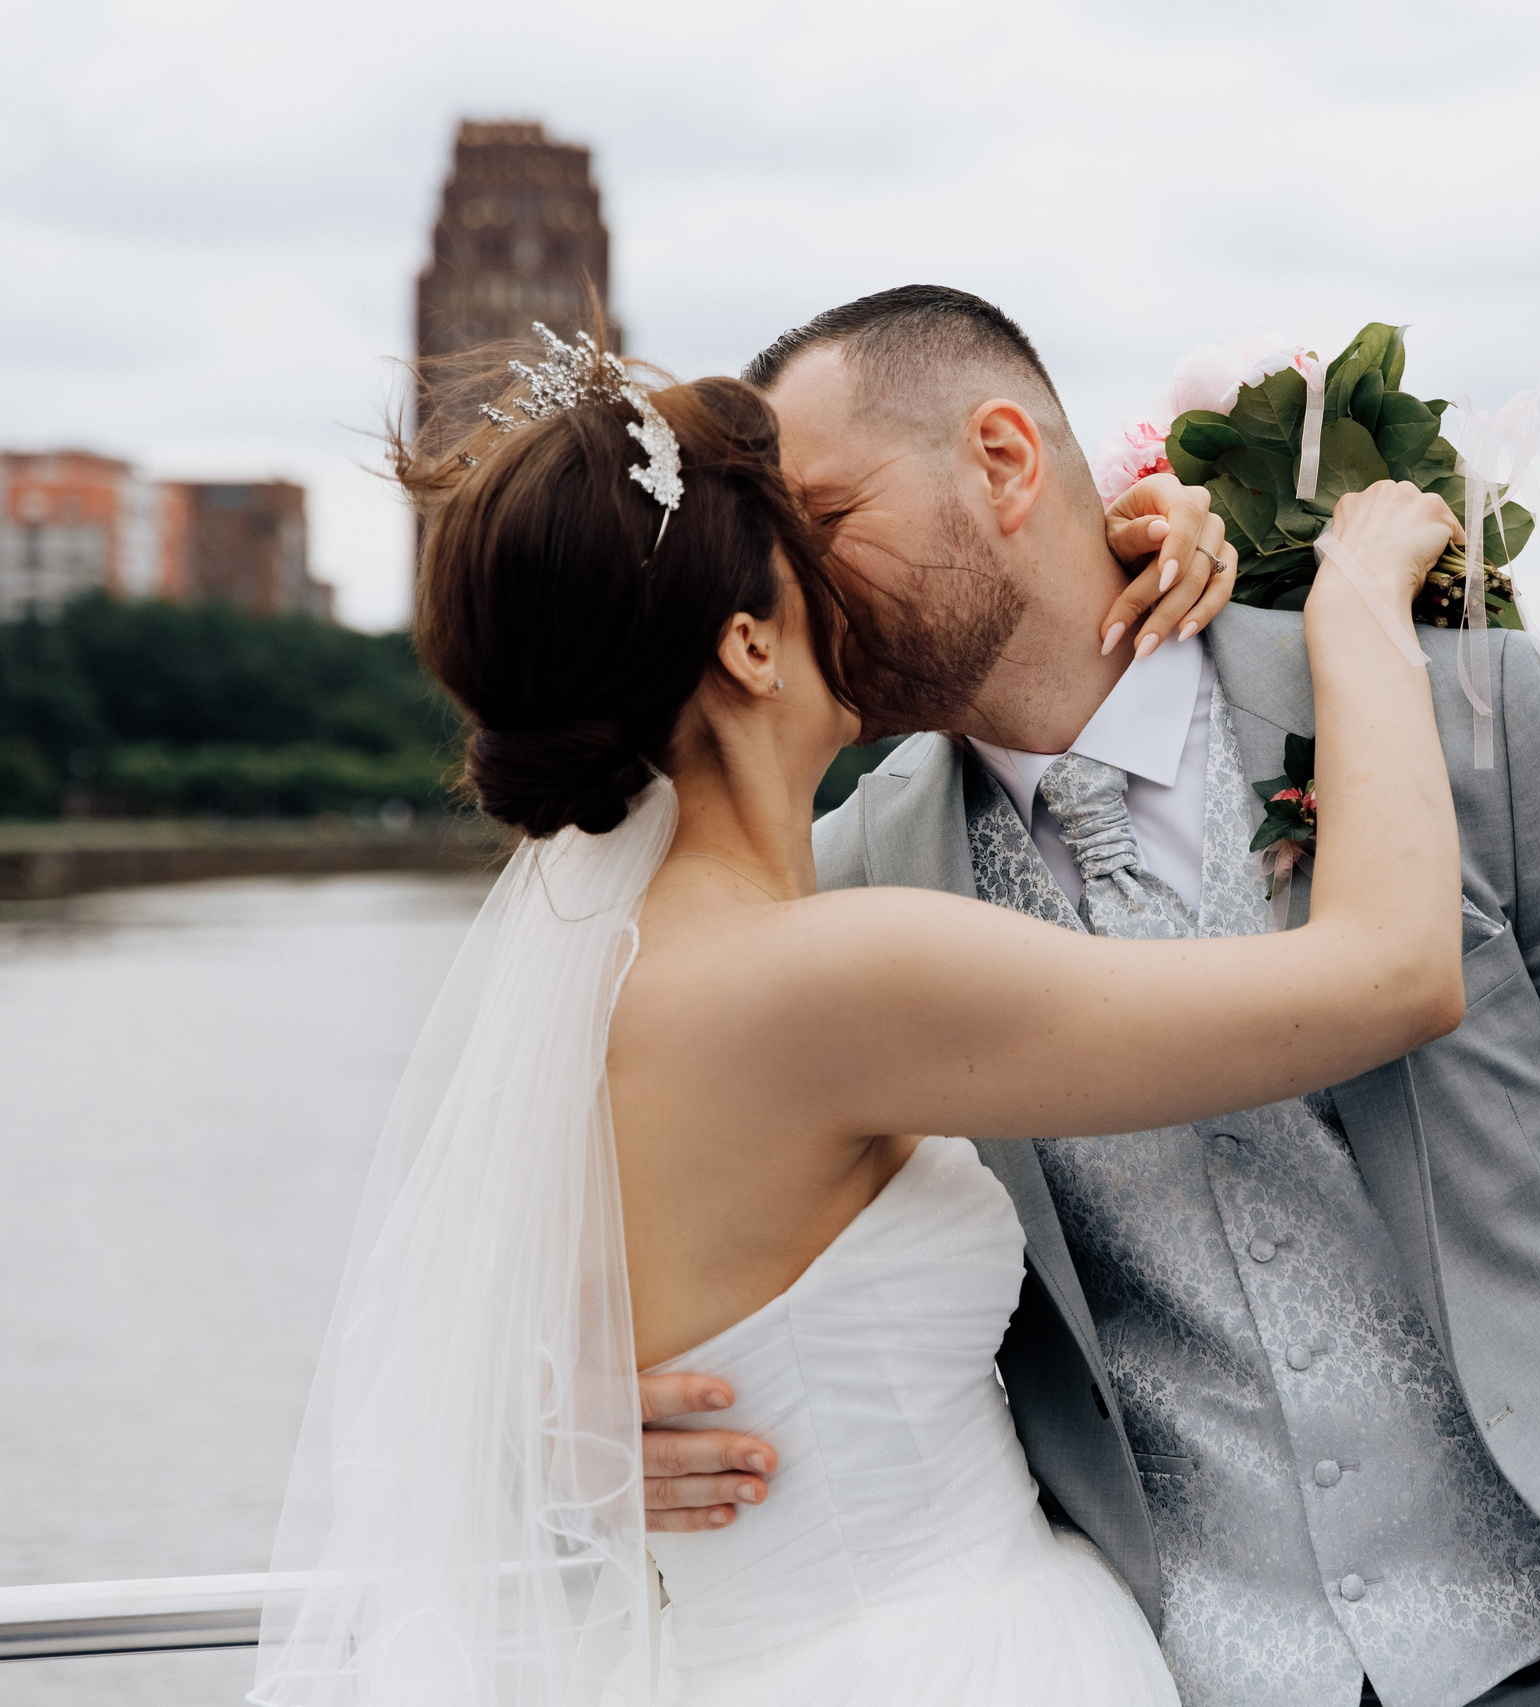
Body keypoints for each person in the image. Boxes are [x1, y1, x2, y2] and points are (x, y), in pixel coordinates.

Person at [636, 287, 1540, 1707]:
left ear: (1007, 461)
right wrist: (586, 1427)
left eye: (827, 524)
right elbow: (665, 1225)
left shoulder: (1469, 718)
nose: (799, 590)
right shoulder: (840, 900)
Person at [251, 327, 1475, 1707]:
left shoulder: (618, 970)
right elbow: (1393, 970)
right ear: (751, 644)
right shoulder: (828, 976)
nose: (845, 578)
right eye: (806, 538)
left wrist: (560, 1439)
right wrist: (1356, 605)